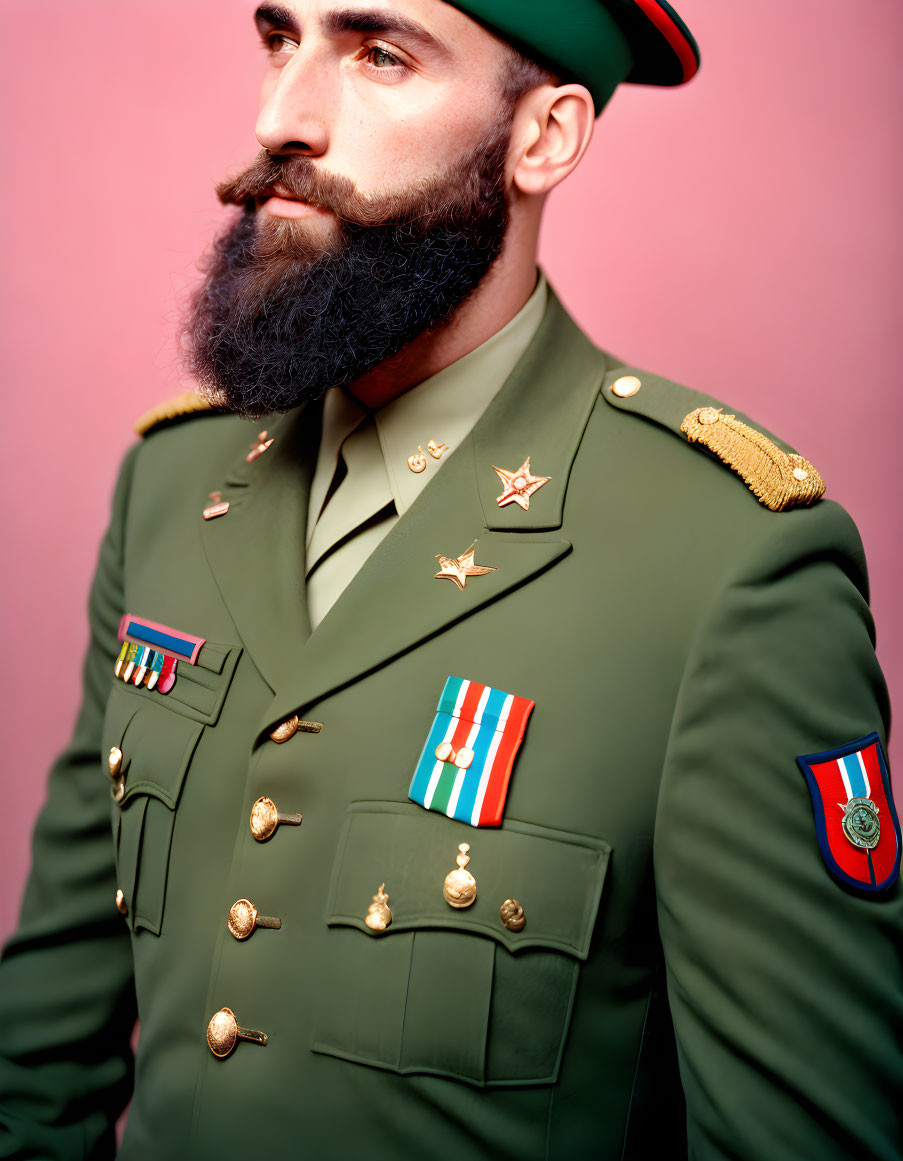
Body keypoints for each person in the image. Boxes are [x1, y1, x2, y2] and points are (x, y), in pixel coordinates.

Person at [1, 1, 901, 1158]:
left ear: (545, 139)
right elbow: (38, 1069)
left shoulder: (729, 562)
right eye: (282, 41)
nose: (283, 118)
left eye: (380, 55)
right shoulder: (173, 485)